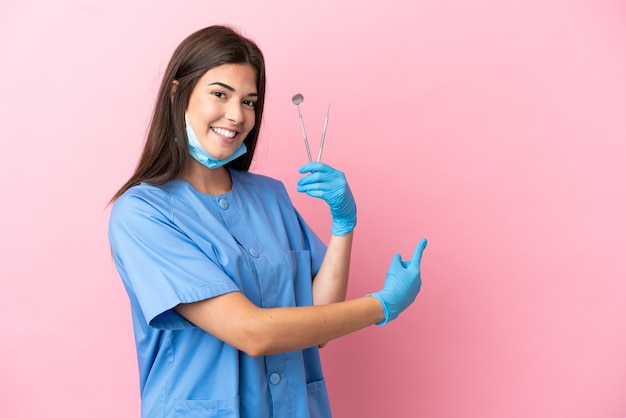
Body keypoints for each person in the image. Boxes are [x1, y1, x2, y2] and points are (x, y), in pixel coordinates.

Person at [108, 25, 428, 418]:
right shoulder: (144, 213)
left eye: (249, 101)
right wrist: (383, 305)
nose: (236, 115)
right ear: (178, 94)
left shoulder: (270, 196)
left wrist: (343, 224)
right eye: (220, 94)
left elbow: (320, 317)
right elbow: (252, 332)